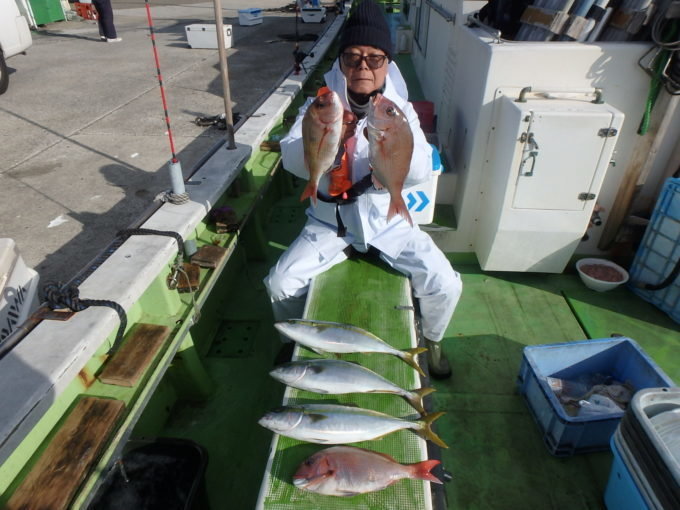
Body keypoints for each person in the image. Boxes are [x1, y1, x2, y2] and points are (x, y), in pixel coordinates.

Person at [264, 0, 462, 378]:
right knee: (279, 283)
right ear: (341, 62)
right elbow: (290, 156)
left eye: (374, 58)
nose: (363, 67)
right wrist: (329, 140)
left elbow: (422, 169)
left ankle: (434, 341)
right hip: (330, 223)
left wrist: (389, 145)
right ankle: (292, 338)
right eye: (352, 57)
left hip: (389, 222)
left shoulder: (399, 111)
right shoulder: (321, 105)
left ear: (387, 63)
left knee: (445, 284)